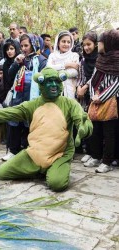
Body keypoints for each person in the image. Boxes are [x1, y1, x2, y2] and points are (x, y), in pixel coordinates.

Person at [0, 67, 93, 192]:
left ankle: (51, 168)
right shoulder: (31, 105)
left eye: (56, 81)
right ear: (41, 85)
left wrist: (84, 128)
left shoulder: (70, 104)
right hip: (34, 154)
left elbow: (82, 120)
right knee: (2, 172)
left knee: (57, 184)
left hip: (59, 155)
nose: (53, 85)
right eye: (48, 82)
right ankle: (40, 168)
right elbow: (3, 114)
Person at [3, 34, 47, 161]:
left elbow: (43, 79)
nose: (23, 48)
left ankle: (29, 151)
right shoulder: (20, 59)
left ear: (34, 45)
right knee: (15, 122)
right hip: (18, 96)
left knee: (30, 125)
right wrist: (17, 63)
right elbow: (10, 75)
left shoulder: (42, 60)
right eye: (21, 46)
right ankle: (13, 150)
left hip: (33, 97)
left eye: (26, 45)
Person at [83, 29, 119, 173]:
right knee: (94, 130)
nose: (99, 44)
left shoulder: (117, 59)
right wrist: (93, 94)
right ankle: (96, 156)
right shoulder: (100, 58)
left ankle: (107, 161)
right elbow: (93, 78)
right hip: (96, 98)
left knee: (109, 133)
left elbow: (116, 83)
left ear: (110, 43)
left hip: (111, 100)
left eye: (101, 42)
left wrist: (102, 97)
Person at [76, 32, 98, 163]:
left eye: (89, 44)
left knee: (95, 125)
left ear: (95, 44)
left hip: (95, 95)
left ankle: (95, 153)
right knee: (86, 123)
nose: (86, 48)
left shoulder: (100, 59)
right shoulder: (83, 60)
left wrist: (85, 87)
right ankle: (88, 151)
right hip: (84, 96)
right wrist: (79, 87)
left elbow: (96, 76)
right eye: (84, 45)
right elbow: (80, 76)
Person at [47, 30, 79, 99]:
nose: (66, 44)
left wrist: (56, 70)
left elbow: (74, 72)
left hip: (70, 91)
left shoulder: (74, 55)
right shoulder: (52, 56)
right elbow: (49, 69)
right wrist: (66, 65)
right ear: (58, 43)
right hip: (54, 88)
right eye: (63, 41)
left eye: (68, 42)